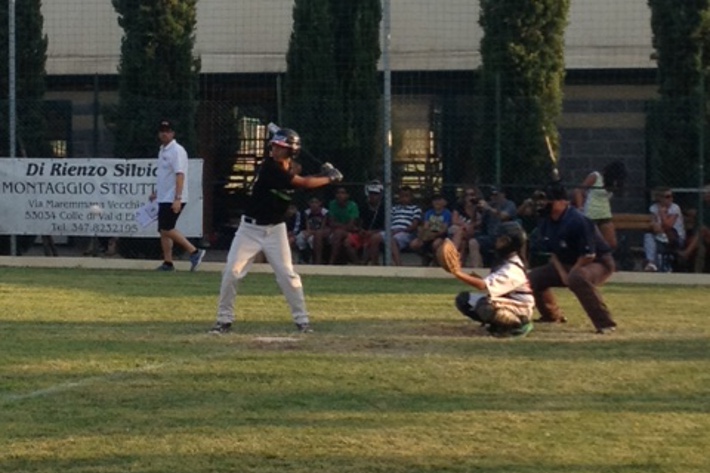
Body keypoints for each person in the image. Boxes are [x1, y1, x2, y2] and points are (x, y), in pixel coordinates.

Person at [209, 128, 342, 334]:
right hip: (250, 230)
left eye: (280, 148)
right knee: (232, 273)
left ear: (291, 151)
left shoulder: (292, 167)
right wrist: (330, 177)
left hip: (276, 230)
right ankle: (223, 320)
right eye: (274, 146)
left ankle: (302, 321)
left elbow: (304, 178)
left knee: (287, 275)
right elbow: (304, 183)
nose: (275, 150)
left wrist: (324, 174)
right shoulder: (269, 168)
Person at [528, 180, 617, 334]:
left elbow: (588, 255)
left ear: (562, 202)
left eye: (548, 199)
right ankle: (551, 315)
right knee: (532, 278)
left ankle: (605, 323)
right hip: (565, 263)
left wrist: (570, 275)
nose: (543, 204)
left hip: (597, 262)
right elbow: (553, 253)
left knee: (577, 277)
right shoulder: (545, 221)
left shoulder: (578, 221)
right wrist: (563, 274)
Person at [453, 221, 534, 338]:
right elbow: (490, 284)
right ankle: (497, 323)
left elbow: (483, 286)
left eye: (499, 238)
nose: (496, 241)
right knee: (464, 299)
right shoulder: (504, 260)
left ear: (507, 242)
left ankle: (518, 325)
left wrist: (458, 273)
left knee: (485, 305)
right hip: (507, 301)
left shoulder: (512, 267)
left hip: (521, 307)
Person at [151, 120, 206, 272]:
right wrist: (156, 192)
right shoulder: (163, 150)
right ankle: (168, 262)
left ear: (173, 133)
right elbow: (164, 175)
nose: (164, 133)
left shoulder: (177, 150)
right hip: (164, 196)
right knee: (163, 230)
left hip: (173, 197)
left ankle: (194, 251)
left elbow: (180, 174)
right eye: (162, 130)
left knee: (166, 228)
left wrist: (177, 198)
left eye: (167, 131)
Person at [573, 160, 628, 249]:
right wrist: (580, 207)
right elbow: (579, 191)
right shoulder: (595, 176)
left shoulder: (613, 183)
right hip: (591, 213)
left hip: (605, 214)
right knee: (595, 240)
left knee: (612, 243)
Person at [469, 187, 517, 268]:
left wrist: (488, 208)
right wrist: (475, 210)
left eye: (496, 195)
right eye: (492, 195)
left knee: (503, 246)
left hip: (505, 237)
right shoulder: (490, 205)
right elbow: (477, 223)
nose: (493, 197)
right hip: (491, 237)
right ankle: (477, 269)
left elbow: (504, 216)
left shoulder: (509, 204)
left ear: (503, 195)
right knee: (473, 242)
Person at [643, 186, 685, 272]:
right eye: (667, 197)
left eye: (671, 196)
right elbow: (654, 224)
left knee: (669, 233)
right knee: (648, 236)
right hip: (660, 235)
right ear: (660, 198)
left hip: (675, 237)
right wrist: (655, 226)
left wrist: (662, 214)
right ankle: (651, 263)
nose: (670, 199)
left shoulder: (675, 208)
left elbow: (668, 225)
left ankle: (665, 265)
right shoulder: (653, 208)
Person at [345, 180, 386, 265]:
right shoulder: (363, 206)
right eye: (371, 193)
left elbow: (385, 227)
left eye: (375, 194)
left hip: (375, 234)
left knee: (372, 241)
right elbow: (358, 222)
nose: (373, 196)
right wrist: (360, 230)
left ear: (380, 195)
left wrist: (371, 232)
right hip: (362, 233)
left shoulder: (384, 209)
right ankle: (357, 263)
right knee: (347, 242)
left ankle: (365, 262)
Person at [411, 193, 452, 265]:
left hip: (440, 235)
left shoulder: (447, 213)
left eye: (439, 200)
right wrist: (422, 237)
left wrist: (433, 235)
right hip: (428, 234)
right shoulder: (428, 213)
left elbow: (444, 229)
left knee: (436, 244)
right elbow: (426, 226)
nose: (437, 202)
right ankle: (426, 256)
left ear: (445, 202)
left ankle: (435, 261)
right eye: (435, 200)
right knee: (414, 244)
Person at [387, 185, 422, 265]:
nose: (404, 198)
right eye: (402, 196)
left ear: (411, 197)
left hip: (406, 233)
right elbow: (388, 222)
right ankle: (374, 264)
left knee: (392, 239)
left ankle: (399, 264)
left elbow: (414, 225)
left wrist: (399, 230)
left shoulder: (415, 209)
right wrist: (390, 230)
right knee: (375, 238)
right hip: (391, 231)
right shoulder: (394, 208)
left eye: (407, 196)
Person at [679, 184, 710, 270]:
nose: (705, 195)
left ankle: (686, 253)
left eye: (707, 193)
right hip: (701, 238)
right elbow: (691, 214)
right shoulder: (702, 206)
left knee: (702, 229)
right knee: (700, 250)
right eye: (704, 193)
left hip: (706, 234)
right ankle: (697, 276)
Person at [326, 187, 359, 264]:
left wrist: (337, 225)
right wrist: (341, 225)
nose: (340, 195)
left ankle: (331, 261)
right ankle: (316, 262)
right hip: (334, 229)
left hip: (349, 232)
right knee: (318, 234)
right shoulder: (332, 204)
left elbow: (351, 226)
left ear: (347, 195)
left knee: (338, 233)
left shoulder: (353, 206)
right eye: (338, 193)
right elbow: (331, 222)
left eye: (343, 193)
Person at [295, 196, 329, 264]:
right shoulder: (307, 212)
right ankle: (303, 256)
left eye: (316, 202)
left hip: (319, 232)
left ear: (320, 203)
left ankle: (313, 258)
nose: (314, 204)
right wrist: (308, 232)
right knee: (300, 238)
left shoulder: (324, 212)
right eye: (312, 202)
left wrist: (313, 232)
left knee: (311, 240)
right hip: (310, 231)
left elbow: (323, 227)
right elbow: (307, 225)